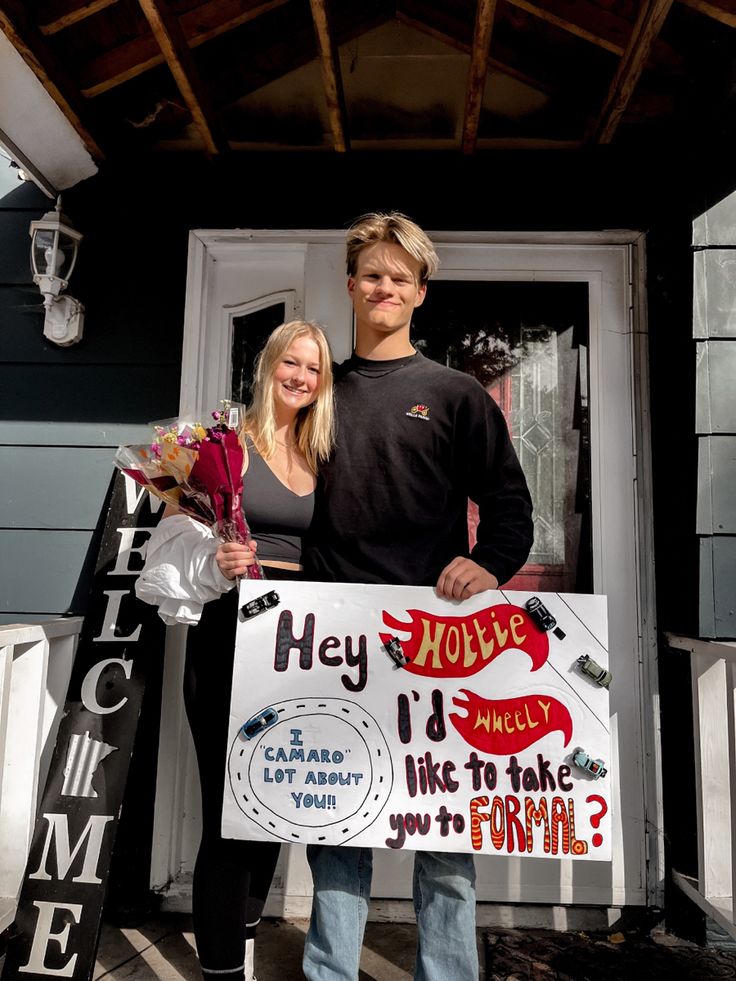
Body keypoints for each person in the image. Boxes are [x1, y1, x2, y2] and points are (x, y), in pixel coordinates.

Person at [300, 213, 534, 981]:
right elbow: (273, 499)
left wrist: (490, 565)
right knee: (338, 828)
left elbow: (509, 506)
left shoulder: (454, 394)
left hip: (439, 644)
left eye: (400, 277)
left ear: (420, 292)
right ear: (350, 284)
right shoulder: (318, 391)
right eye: (372, 273)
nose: (385, 286)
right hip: (335, 643)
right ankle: (330, 971)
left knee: (444, 830)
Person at [136, 320, 334, 981]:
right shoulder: (224, 446)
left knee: (275, 797)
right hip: (229, 637)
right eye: (292, 362)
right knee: (231, 807)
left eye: (314, 367)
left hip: (300, 643)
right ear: (269, 364)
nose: (301, 376)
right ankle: (222, 969)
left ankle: (241, 940)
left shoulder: (319, 453)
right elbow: (163, 549)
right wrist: (214, 560)